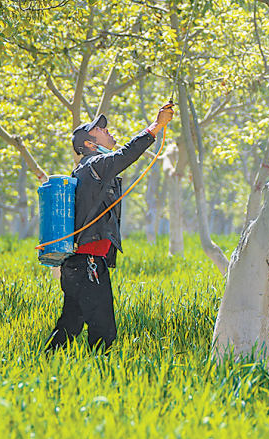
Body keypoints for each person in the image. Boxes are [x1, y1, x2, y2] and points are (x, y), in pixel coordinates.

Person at [46, 103, 174, 352]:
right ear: (90, 145)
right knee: (103, 330)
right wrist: (156, 126)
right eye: (101, 130)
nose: (108, 131)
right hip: (87, 265)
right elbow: (126, 154)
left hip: (81, 265)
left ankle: (45, 365)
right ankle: (102, 375)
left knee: (70, 325)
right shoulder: (94, 166)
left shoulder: (89, 169)